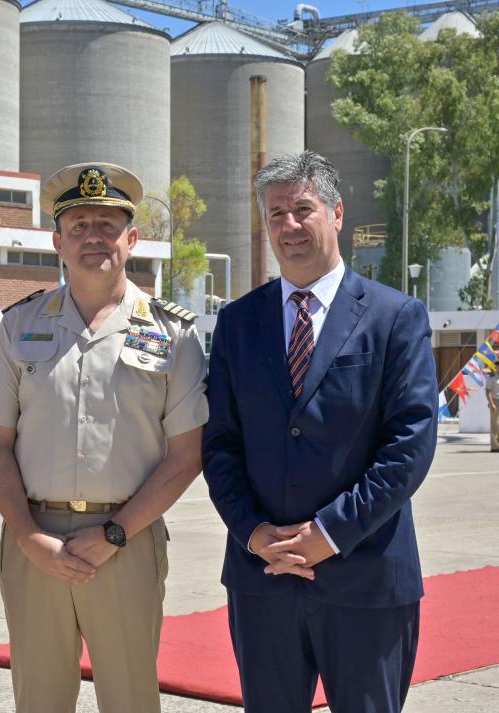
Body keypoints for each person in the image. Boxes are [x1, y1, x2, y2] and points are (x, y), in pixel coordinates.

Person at [203, 151, 438, 713]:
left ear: (336, 214)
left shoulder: (394, 316)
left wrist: (328, 534)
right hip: (264, 576)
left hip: (365, 577)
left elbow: (409, 445)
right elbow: (220, 446)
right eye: (276, 214)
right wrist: (255, 532)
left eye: (302, 209)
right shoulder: (238, 322)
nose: (289, 226)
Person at [0, 162, 208, 713]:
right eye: (79, 226)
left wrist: (115, 534)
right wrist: (29, 535)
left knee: (130, 699)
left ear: (132, 239)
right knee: (39, 699)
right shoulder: (18, 326)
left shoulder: (172, 332)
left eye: (107, 225)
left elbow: (186, 455)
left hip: (127, 541)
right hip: (35, 540)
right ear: (57, 242)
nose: (93, 237)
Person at [487, 370, 499, 451]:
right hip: (496, 400)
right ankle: (495, 446)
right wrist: (491, 403)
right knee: (495, 424)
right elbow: (488, 391)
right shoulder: (492, 377)